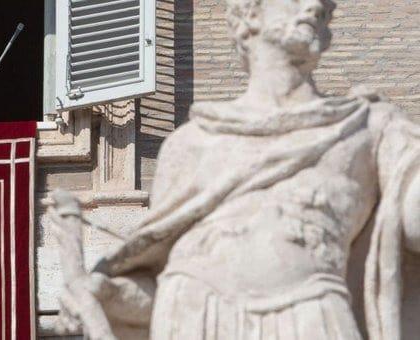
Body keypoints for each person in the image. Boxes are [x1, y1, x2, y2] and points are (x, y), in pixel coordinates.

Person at [49, 0, 420, 339]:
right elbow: (159, 290)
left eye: (324, 5)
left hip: (310, 321)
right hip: (192, 319)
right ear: (248, 15)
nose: (314, 6)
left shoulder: (367, 129)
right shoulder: (189, 144)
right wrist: (111, 294)